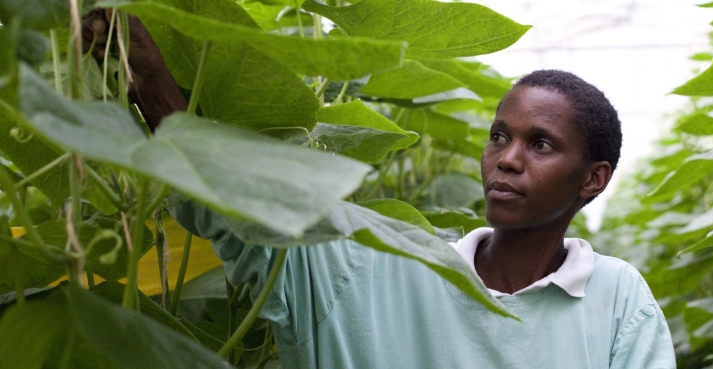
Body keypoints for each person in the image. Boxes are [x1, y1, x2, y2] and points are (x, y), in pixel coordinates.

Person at [83, 11, 676, 369]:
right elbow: (239, 211)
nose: (508, 159)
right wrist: (151, 79)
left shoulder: (617, 299)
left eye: (540, 145)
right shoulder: (373, 263)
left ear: (594, 178)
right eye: (499, 136)